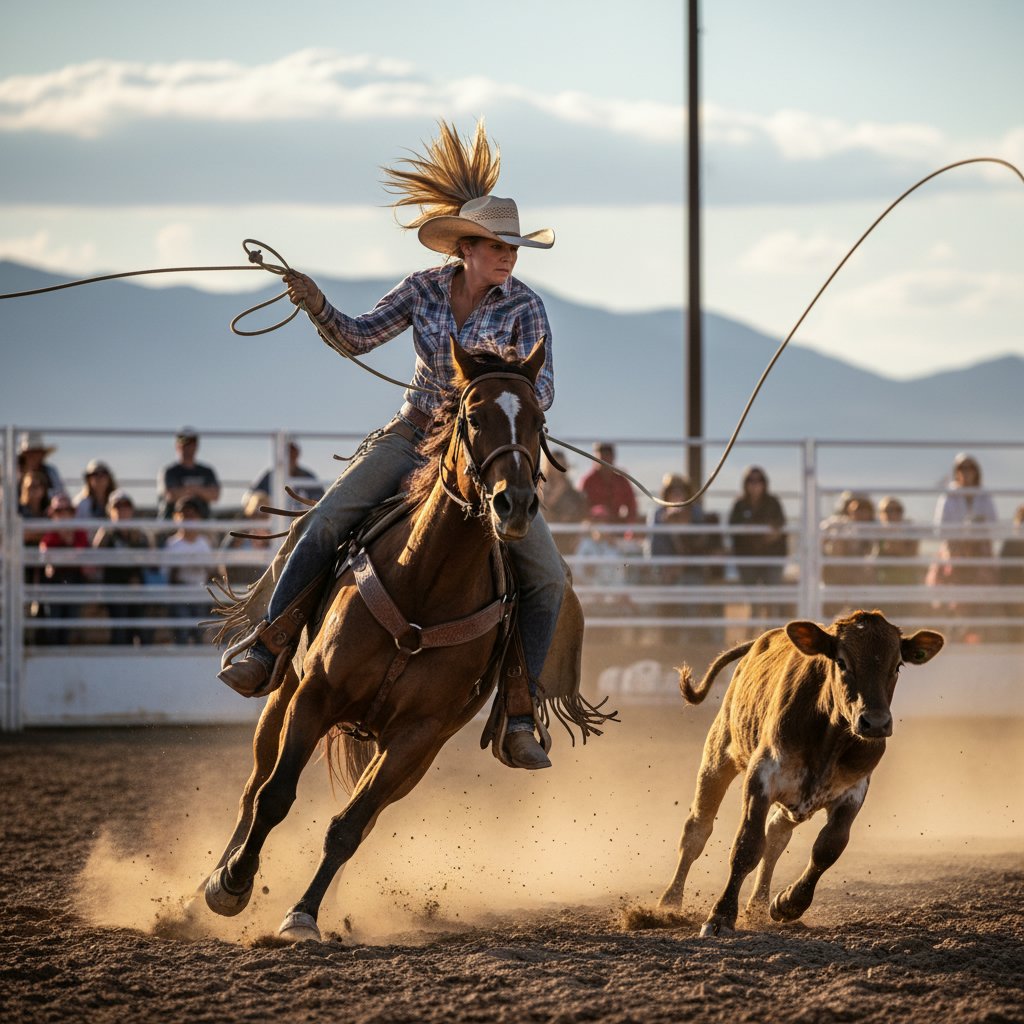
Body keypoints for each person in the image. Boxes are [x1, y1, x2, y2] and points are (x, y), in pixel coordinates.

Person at [216, 121, 560, 770]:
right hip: (413, 437)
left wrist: (494, 410)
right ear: (466, 246)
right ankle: (271, 643)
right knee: (327, 521)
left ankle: (518, 709)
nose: (509, 256)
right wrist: (318, 304)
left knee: (548, 579)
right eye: (496, 245)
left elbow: (538, 390)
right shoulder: (423, 289)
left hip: (485, 456)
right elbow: (356, 336)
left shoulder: (527, 309)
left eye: (513, 246)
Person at [928, 452, 998, 639]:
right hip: (955, 553)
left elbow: (993, 524)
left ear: (977, 472)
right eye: (962, 468)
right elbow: (940, 528)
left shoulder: (984, 495)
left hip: (979, 553)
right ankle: (956, 633)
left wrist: (978, 528)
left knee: (980, 597)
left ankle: (979, 634)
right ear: (956, 472)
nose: (966, 472)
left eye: (970, 467)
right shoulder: (949, 495)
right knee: (956, 596)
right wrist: (961, 533)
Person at [728, 466, 787, 623]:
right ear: (745, 483)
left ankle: (772, 635)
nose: (755, 484)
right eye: (751, 480)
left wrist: (763, 533)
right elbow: (733, 528)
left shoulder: (773, 503)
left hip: (771, 557)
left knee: (772, 601)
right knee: (753, 602)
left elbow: (780, 526)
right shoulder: (739, 504)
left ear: (764, 483)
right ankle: (753, 636)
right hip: (748, 558)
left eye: (758, 480)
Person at [93, 490, 153, 645]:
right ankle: (120, 665)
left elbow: (150, 559)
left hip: (136, 589)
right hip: (115, 589)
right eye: (117, 507)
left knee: (141, 630)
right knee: (120, 632)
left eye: (126, 506)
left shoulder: (139, 533)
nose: (122, 511)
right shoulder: (106, 533)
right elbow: (95, 557)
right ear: (110, 511)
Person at [38, 493, 91, 644]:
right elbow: (47, 560)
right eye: (58, 511)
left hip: (75, 582)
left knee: (70, 623)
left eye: (67, 510)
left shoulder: (79, 533)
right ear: (52, 514)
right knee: (53, 623)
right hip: (54, 584)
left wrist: (62, 555)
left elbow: (83, 558)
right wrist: (69, 553)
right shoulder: (49, 535)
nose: (63, 515)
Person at [165, 496, 215, 644]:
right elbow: (168, 576)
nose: (188, 519)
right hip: (180, 591)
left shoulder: (204, 543)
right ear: (177, 518)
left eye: (192, 515)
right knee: (182, 632)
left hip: (200, 591)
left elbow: (211, 571)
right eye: (184, 515)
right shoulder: (172, 544)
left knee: (199, 632)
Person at [157, 428, 221, 520]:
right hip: (173, 523)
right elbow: (170, 495)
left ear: (196, 446)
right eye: (185, 444)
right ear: (177, 446)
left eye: (191, 444)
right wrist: (200, 491)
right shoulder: (169, 471)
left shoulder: (207, 471)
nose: (188, 448)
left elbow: (215, 495)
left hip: (202, 522)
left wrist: (187, 489)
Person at [245, 440, 324, 511]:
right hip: (273, 521)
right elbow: (250, 497)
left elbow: (321, 501)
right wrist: (262, 500)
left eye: (293, 454)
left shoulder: (307, 477)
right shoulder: (269, 476)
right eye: (287, 454)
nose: (290, 458)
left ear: (297, 455)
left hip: (301, 522)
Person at [218, 491, 275, 589]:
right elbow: (222, 563)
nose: (259, 518)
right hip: (239, 588)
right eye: (255, 513)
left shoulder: (275, 538)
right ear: (250, 513)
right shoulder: (237, 535)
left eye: (264, 514)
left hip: (265, 590)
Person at [538, 448, 588, 555]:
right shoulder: (542, 485)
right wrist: (558, 491)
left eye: (561, 464)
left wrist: (579, 536)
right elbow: (544, 508)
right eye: (555, 464)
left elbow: (582, 514)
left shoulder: (571, 489)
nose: (558, 468)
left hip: (570, 537)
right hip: (549, 535)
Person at [578, 443, 638, 523]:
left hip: (617, 526)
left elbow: (632, 506)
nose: (603, 461)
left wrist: (629, 526)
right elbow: (580, 508)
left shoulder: (621, 481)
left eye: (607, 456)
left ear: (612, 458)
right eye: (600, 458)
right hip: (594, 527)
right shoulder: (587, 481)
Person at [17, 431, 64, 497]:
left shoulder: (50, 471)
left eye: (37, 452)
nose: (34, 456)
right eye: (30, 453)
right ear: (24, 455)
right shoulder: (14, 473)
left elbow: (60, 493)